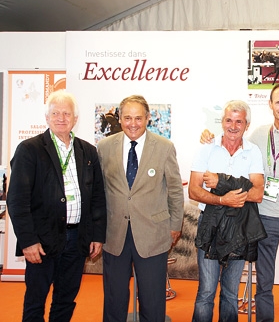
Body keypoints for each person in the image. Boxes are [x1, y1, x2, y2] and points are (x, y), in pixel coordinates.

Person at [200, 83, 279, 322]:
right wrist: (208, 137)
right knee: (263, 284)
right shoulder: (257, 135)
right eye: (278, 102)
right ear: (270, 105)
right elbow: (230, 143)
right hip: (264, 219)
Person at [7, 90, 107, 322]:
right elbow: (17, 200)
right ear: (47, 117)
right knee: (36, 299)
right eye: (55, 113)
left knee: (66, 298)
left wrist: (97, 235)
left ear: (75, 118)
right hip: (42, 240)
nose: (61, 118)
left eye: (66, 113)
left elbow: (97, 198)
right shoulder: (29, 150)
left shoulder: (88, 151)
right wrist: (28, 241)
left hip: (77, 239)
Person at [97, 95, 184, 322]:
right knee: (114, 300)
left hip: (153, 234)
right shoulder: (105, 147)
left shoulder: (164, 147)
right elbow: (99, 191)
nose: (132, 123)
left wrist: (175, 225)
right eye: (127, 118)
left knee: (152, 300)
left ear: (148, 118)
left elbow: (175, 190)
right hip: (114, 234)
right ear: (120, 118)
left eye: (138, 118)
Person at [190, 100, 265, 322]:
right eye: (229, 120)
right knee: (206, 293)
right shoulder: (207, 149)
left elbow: (258, 193)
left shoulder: (253, 152)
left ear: (247, 125)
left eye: (239, 121)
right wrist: (224, 199)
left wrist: (221, 183)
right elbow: (194, 191)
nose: (233, 126)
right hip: (210, 225)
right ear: (222, 122)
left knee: (231, 294)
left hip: (238, 227)